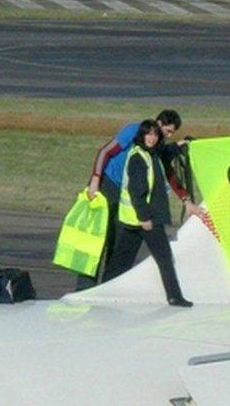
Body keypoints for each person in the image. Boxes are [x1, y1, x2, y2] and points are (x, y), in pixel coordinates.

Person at [77, 109, 197, 290]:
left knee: (117, 243)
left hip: (125, 195)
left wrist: (185, 199)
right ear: (157, 123)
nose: (168, 135)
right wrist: (95, 178)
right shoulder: (134, 131)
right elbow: (106, 152)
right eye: (168, 131)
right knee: (98, 237)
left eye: (172, 133)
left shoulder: (156, 145)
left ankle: (108, 286)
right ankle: (84, 287)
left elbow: (167, 172)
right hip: (107, 185)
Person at [101, 120, 192, 307]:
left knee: (121, 260)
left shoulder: (149, 154)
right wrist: (145, 218)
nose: (152, 138)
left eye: (155, 135)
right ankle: (174, 296)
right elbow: (137, 192)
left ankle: (103, 290)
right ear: (142, 136)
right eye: (148, 134)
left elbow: (163, 151)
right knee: (164, 257)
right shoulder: (138, 159)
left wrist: (178, 145)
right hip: (145, 220)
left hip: (132, 220)